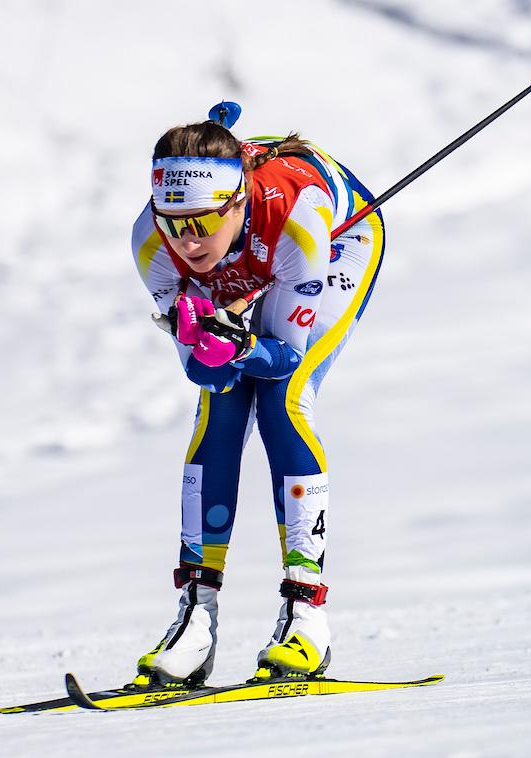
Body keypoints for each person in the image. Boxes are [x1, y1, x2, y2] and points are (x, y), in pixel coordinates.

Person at [128, 104, 386, 687]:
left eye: (199, 224)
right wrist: (210, 347)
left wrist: (238, 345)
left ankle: (307, 617)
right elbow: (207, 376)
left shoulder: (299, 223)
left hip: (338, 239)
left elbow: (285, 356)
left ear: (235, 202)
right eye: (174, 223)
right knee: (219, 415)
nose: (186, 242)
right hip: (257, 251)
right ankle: (196, 617)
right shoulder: (151, 244)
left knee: (282, 403)